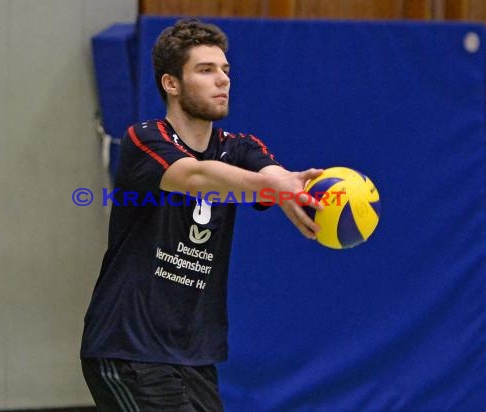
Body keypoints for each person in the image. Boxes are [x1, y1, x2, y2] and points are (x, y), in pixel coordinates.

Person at [80, 18, 323, 411]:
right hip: (130, 348)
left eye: (225, 70)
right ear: (171, 83)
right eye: (206, 70)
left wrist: (288, 185)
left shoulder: (238, 147)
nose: (222, 80)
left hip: (193, 355)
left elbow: (268, 171)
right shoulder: (145, 139)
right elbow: (194, 175)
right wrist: (270, 188)